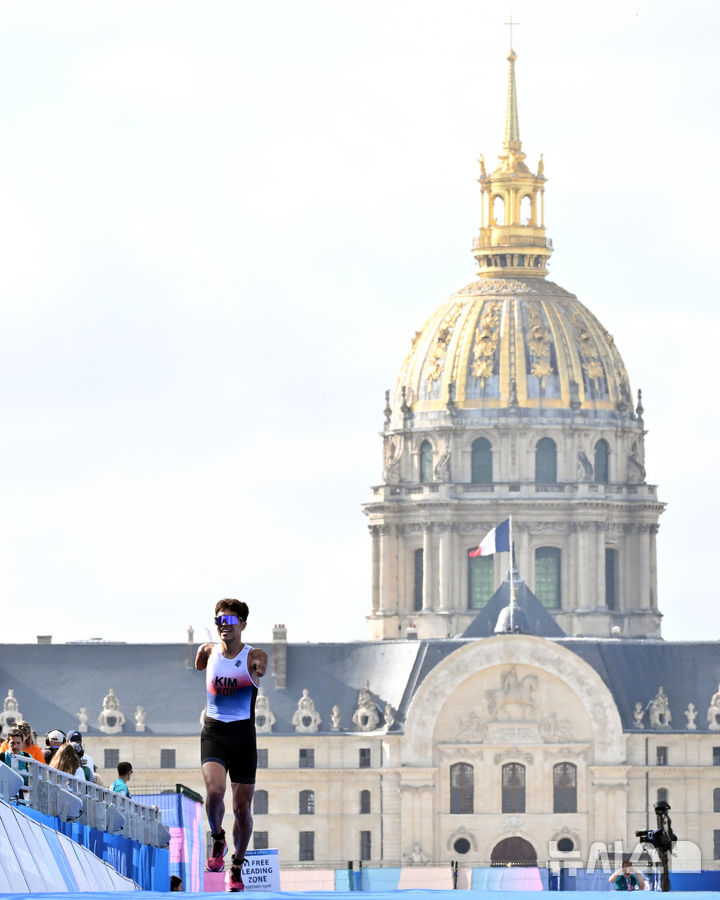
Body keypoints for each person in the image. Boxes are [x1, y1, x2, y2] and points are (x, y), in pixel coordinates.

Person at [195, 598, 267, 892]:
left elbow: (260, 668)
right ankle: (217, 838)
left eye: (230, 621)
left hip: (242, 736)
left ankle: (237, 865)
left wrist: (259, 669)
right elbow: (199, 663)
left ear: (243, 625)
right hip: (214, 731)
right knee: (214, 792)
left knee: (241, 809)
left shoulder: (254, 656)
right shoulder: (207, 652)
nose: (224, 626)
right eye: (219, 621)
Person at [0, 728, 32, 793]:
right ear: (7, 743)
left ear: (22, 743)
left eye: (18, 743)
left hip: (24, 798)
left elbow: (33, 781)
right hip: (4, 798)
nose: (15, 746)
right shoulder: (1, 757)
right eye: (12, 743)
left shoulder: (28, 757)